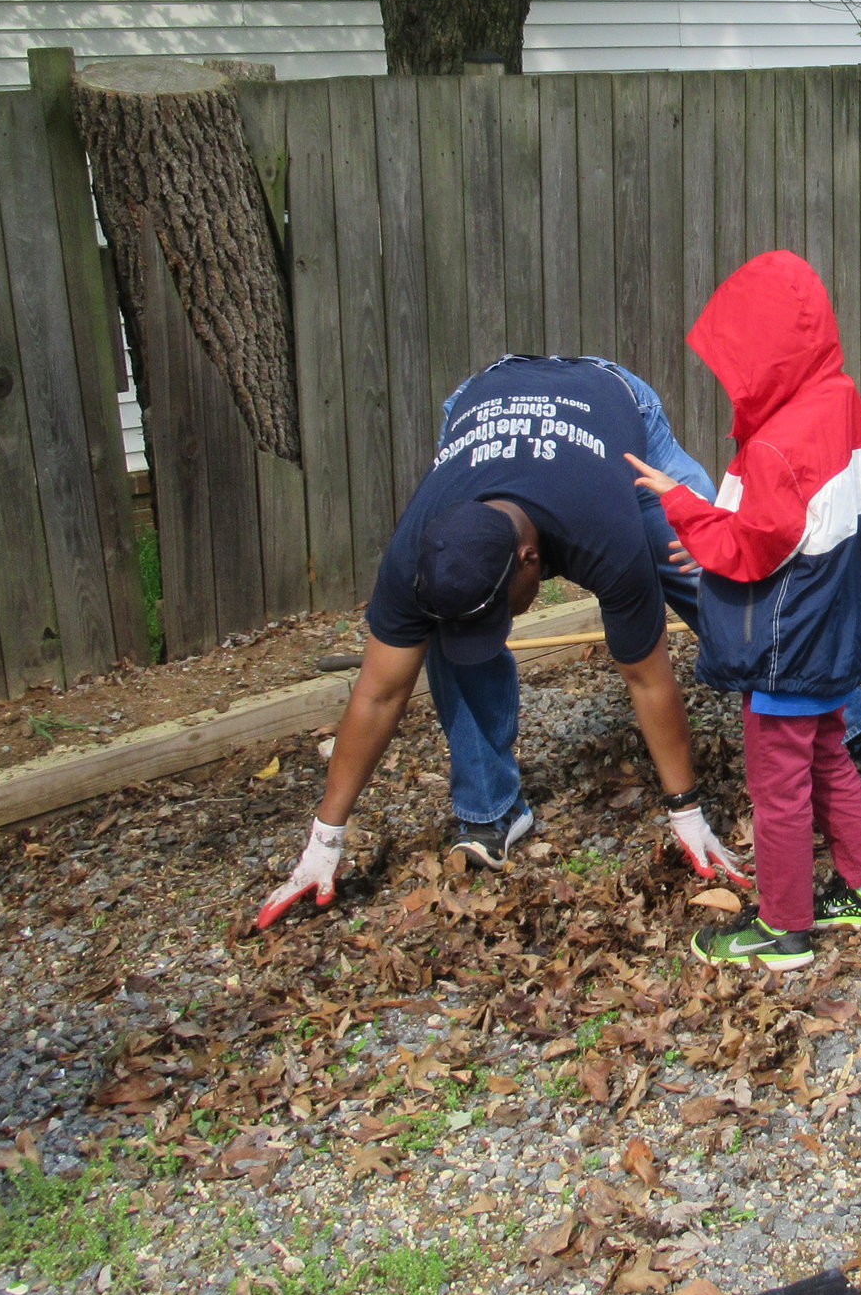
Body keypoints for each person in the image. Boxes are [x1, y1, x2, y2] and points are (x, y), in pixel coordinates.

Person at [256, 354, 749, 929]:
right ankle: (491, 811)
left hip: (609, 402)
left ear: (531, 560)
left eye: (498, 614)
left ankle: (841, 727)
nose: (498, 632)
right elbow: (378, 694)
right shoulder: (419, 549)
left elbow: (645, 675)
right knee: (453, 616)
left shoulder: (605, 533)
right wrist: (325, 839)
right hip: (483, 400)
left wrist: (685, 813)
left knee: (715, 573)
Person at [628, 251, 861, 973]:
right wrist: (720, 537)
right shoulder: (840, 398)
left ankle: (784, 926)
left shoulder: (781, 439)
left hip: (788, 639)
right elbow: (795, 522)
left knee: (776, 783)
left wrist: (685, 508)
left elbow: (757, 545)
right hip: (835, 624)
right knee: (826, 752)